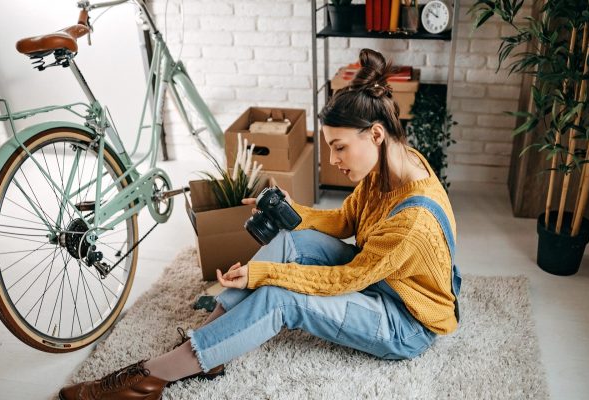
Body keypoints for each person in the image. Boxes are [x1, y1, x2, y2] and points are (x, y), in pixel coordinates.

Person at [58, 48, 461, 400]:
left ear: (375, 134)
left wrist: (261, 274)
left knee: (282, 297)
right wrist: (290, 208)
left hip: (404, 322)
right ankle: (208, 349)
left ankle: (153, 376)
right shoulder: (389, 165)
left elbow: (346, 279)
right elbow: (343, 221)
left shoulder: (414, 219)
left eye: (339, 147)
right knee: (292, 242)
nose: (334, 160)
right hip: (382, 278)